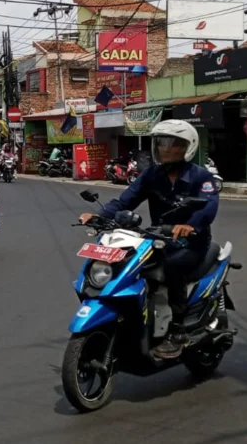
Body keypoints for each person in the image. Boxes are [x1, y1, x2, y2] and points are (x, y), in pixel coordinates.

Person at [79, 120, 218, 360]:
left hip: (191, 243)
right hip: (157, 238)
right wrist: (99, 216)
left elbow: (208, 208)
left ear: (188, 147)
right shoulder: (151, 175)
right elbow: (124, 201)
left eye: (173, 144)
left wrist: (189, 226)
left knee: (172, 268)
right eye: (161, 143)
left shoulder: (201, 177)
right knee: (126, 264)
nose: (165, 148)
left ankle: (177, 331)